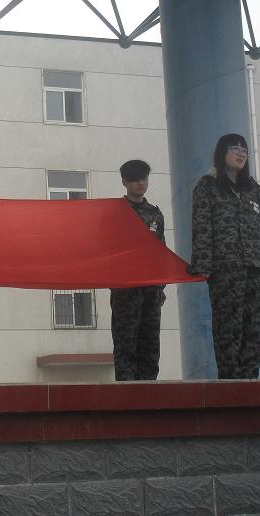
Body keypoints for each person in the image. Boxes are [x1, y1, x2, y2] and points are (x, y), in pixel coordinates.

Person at [189, 133, 260, 379]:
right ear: (222, 153)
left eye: (244, 150)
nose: (241, 154)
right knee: (228, 326)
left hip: (256, 267)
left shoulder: (253, 189)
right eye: (235, 149)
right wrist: (203, 264)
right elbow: (201, 226)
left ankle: (250, 376)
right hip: (225, 268)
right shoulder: (207, 186)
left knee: (255, 325)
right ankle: (231, 379)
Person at [110, 160, 166, 381]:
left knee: (150, 346)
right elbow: (106, 250)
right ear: (124, 182)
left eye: (144, 178)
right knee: (126, 345)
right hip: (125, 290)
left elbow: (161, 251)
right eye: (134, 179)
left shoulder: (155, 214)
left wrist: (161, 287)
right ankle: (127, 394)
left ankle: (149, 393)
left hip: (151, 289)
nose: (140, 183)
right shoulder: (116, 213)